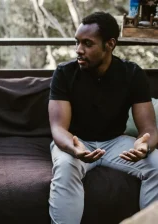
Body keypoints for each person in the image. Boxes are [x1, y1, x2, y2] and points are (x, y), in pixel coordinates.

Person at [48, 11, 158, 224]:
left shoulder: (132, 73)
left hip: (116, 142)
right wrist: (74, 149)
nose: (79, 50)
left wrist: (146, 146)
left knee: (157, 165)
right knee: (65, 167)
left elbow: (149, 129)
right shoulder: (64, 73)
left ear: (110, 44)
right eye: (77, 42)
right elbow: (58, 129)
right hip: (76, 140)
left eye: (88, 44)